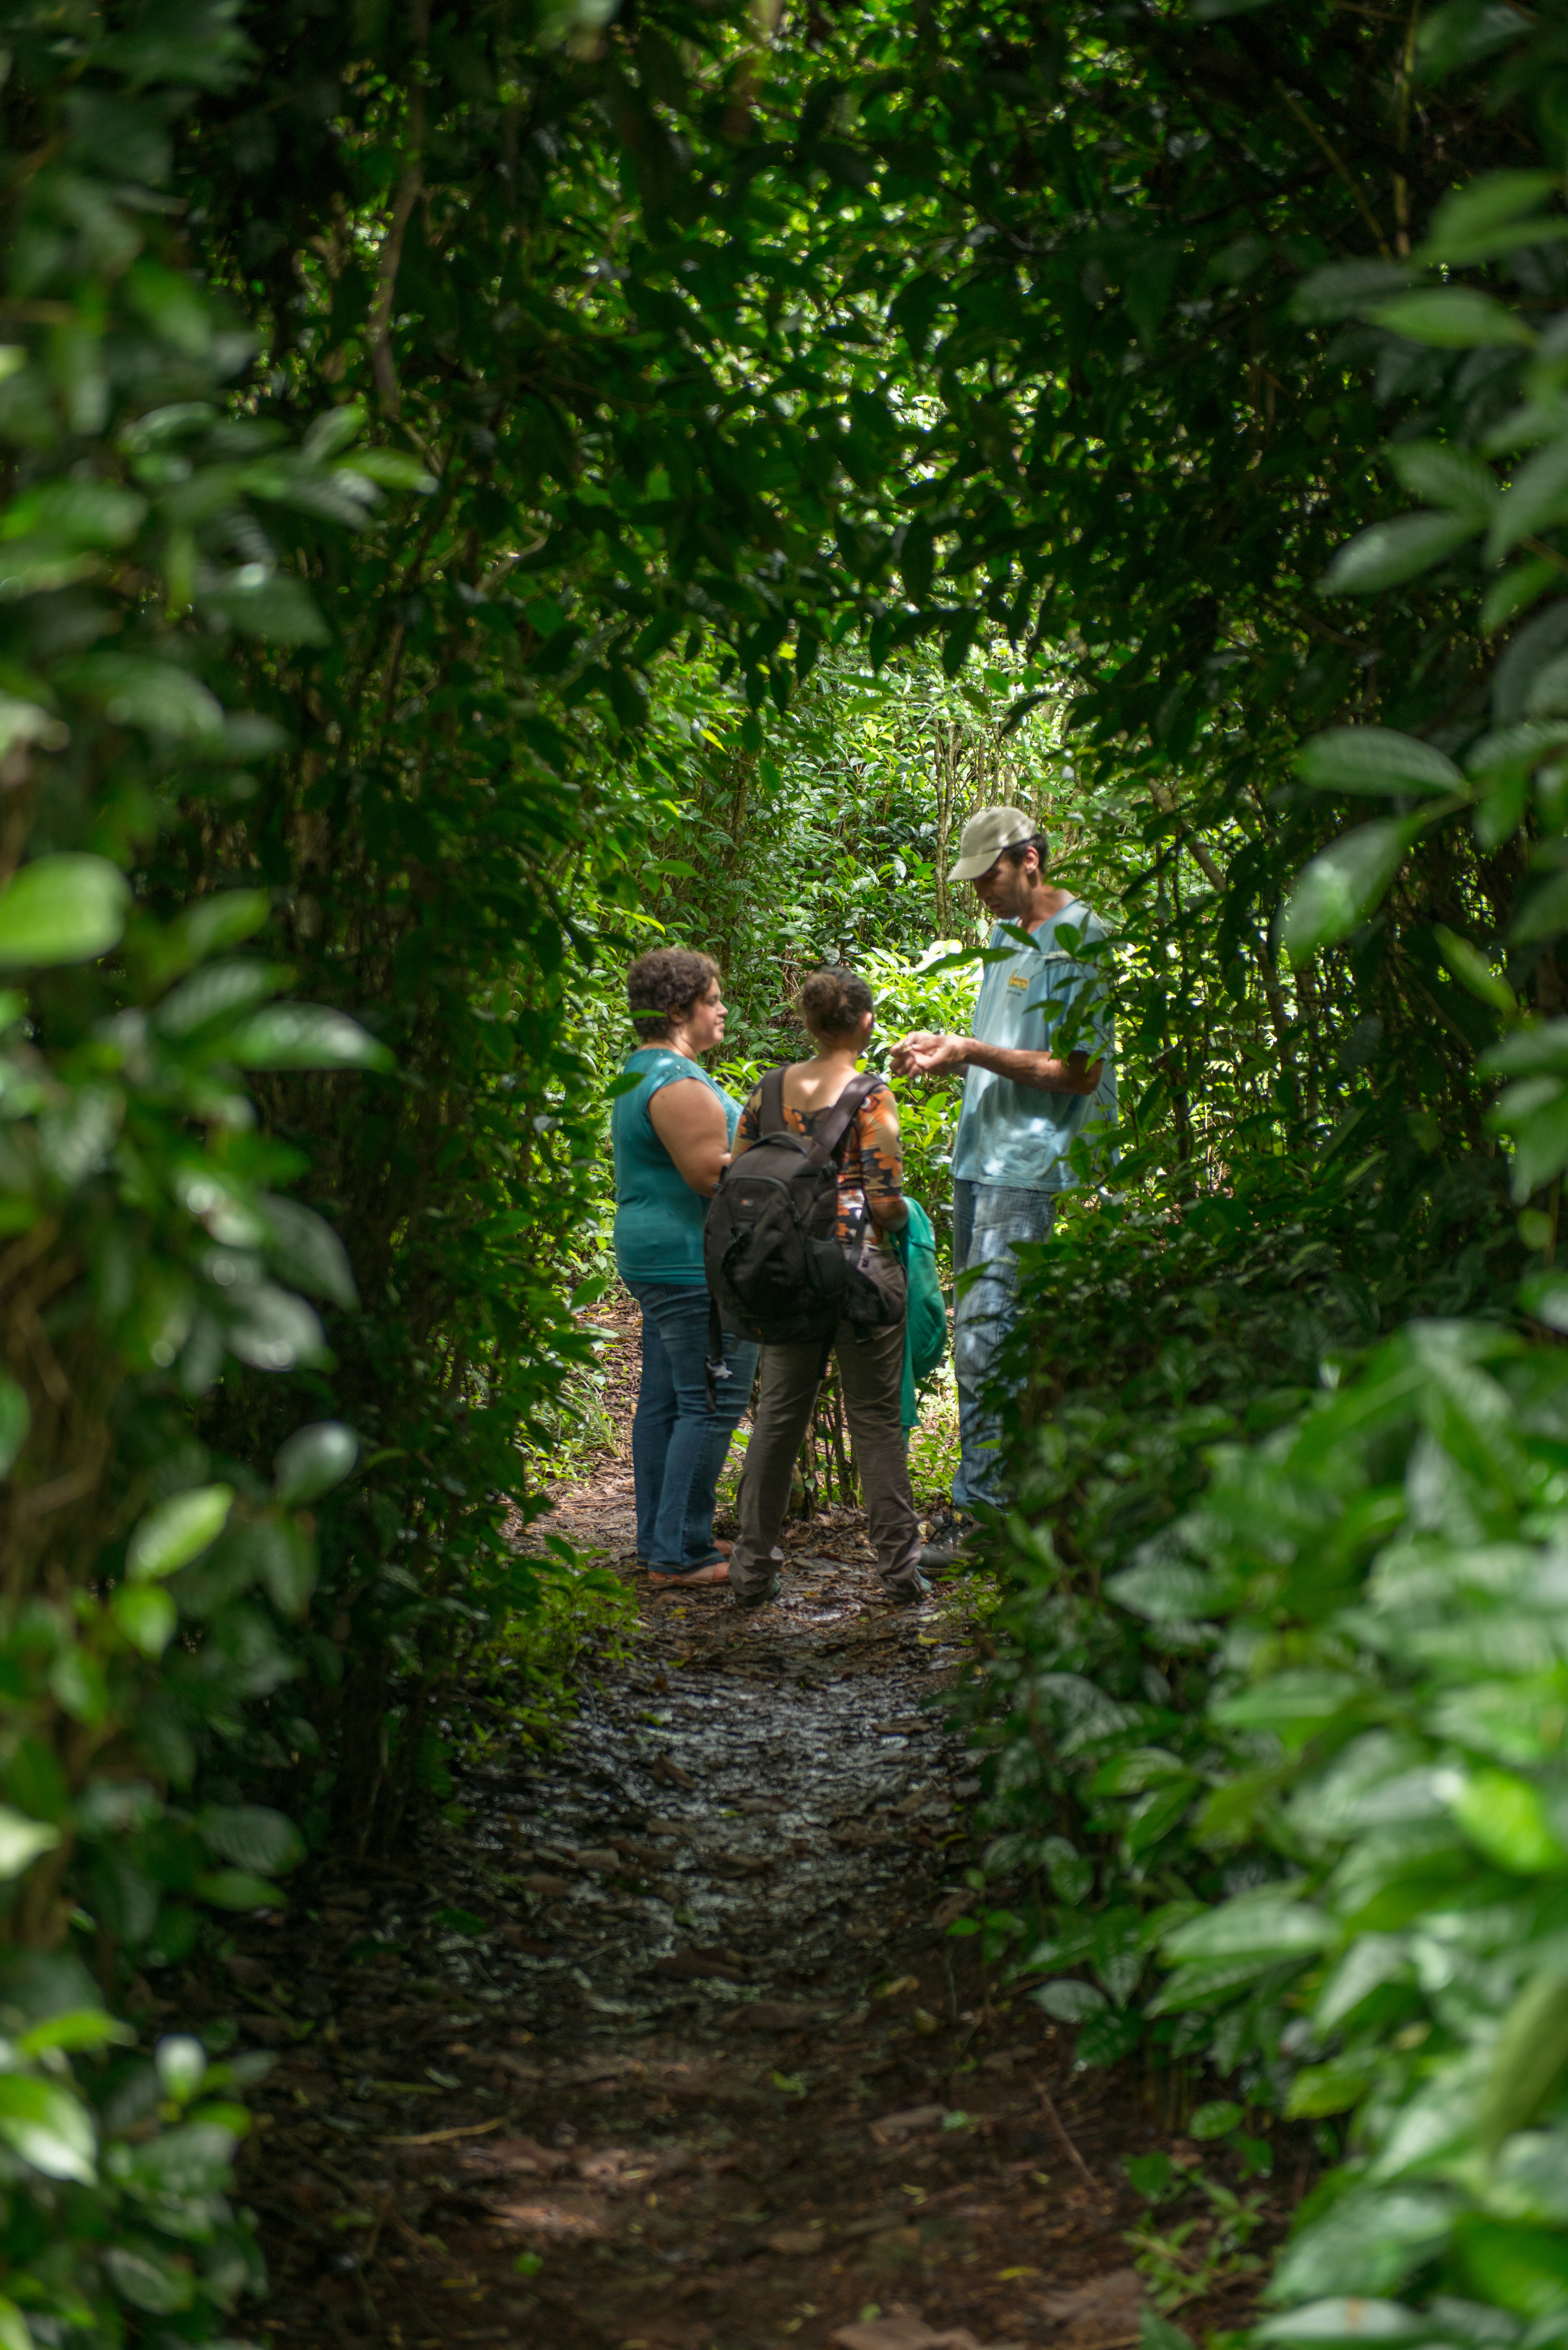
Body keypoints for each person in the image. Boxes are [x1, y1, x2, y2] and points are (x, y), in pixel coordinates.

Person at [891, 807, 1114, 1558]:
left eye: (988, 876)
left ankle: (985, 1514)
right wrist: (945, 1052)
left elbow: (1078, 1073)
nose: (981, 892)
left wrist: (971, 1050)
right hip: (979, 1156)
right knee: (977, 1335)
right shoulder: (1004, 934)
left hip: (1034, 1165)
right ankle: (999, 1496)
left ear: (1029, 860)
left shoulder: (1080, 938)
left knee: (990, 1333)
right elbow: (1004, 1044)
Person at [726, 966, 928, 1611]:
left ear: (810, 1022)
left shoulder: (766, 1090)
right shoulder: (871, 1096)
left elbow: (739, 1176)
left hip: (786, 1277)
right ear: (865, 1022)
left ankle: (750, 1571)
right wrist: (909, 1218)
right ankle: (900, 1572)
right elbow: (886, 1201)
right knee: (875, 1422)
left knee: (779, 1419)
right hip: (858, 1273)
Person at [611, 948, 759, 1588]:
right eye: (712, 1000)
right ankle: (679, 1553)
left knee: (668, 1400)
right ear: (678, 1010)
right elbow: (709, 1174)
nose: (722, 1010)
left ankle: (664, 1537)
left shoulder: (643, 1070)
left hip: (662, 1255)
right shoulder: (675, 1080)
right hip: (689, 1262)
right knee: (711, 1401)